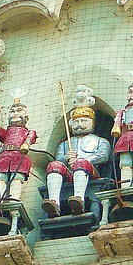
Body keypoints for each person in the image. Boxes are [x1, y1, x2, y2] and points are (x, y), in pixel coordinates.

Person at [42, 85, 111, 217]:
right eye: (76, 121)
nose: (79, 124)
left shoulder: (99, 141)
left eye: (84, 120)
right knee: (54, 165)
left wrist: (83, 160)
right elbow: (59, 159)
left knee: (81, 163)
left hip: (90, 173)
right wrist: (66, 158)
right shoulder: (65, 144)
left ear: (92, 123)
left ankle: (78, 199)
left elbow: (103, 156)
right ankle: (54, 203)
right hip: (69, 175)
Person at [0, 88, 37, 203]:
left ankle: (14, 201)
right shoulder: (7, 132)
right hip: (4, 155)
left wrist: (26, 144)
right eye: (12, 111)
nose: (15, 114)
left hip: (19, 156)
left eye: (19, 111)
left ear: (26, 115)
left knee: (17, 177)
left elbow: (30, 138)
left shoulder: (29, 132)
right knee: (1, 178)